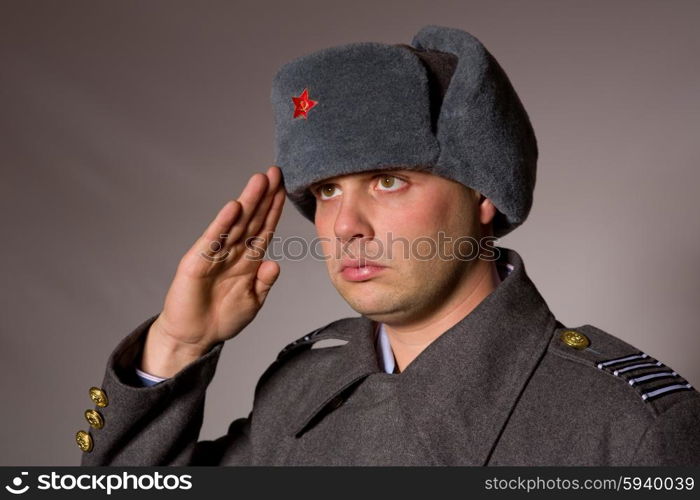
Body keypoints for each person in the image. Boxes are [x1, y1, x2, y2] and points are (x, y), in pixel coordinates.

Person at [77, 25, 700, 466]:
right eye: (325, 190)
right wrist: (177, 346)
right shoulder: (304, 387)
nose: (346, 225)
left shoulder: (628, 426)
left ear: (483, 193)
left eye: (388, 180)